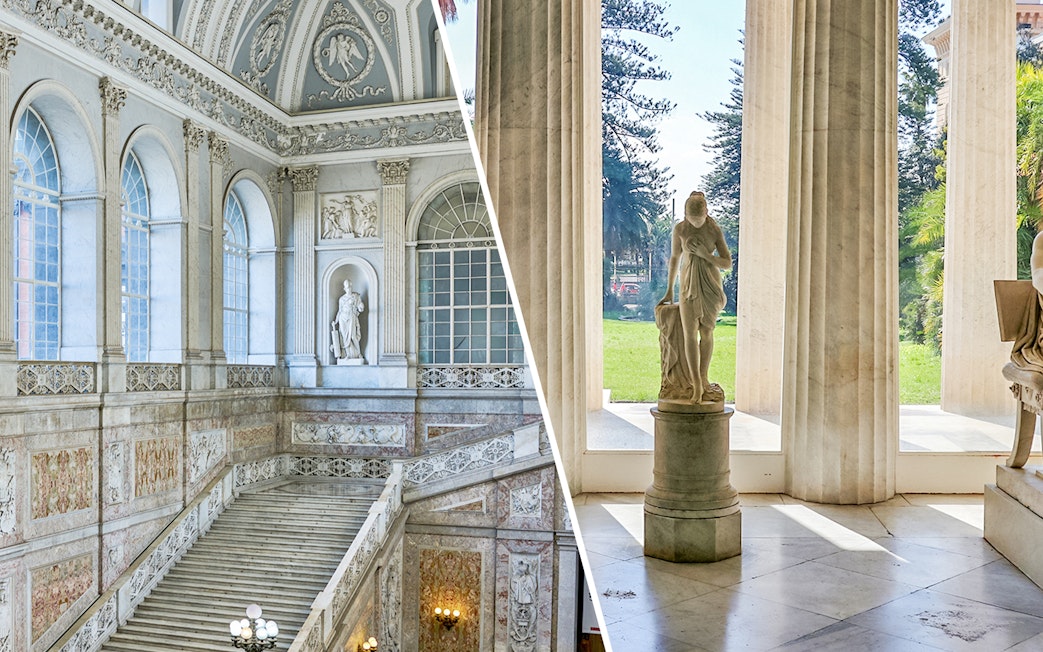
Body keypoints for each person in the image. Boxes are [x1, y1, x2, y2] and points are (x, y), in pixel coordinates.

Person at [658, 191, 732, 404]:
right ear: (685, 215)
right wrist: (670, 290)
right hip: (688, 285)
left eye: (699, 218)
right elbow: (675, 258)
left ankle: (704, 378)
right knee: (689, 333)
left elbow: (727, 262)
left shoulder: (713, 229)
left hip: (710, 285)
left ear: (706, 213)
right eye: (692, 219)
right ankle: (696, 385)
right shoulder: (680, 229)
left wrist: (705, 255)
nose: (696, 222)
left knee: (706, 332)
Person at [332, 280, 364, 360]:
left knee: (353, 336)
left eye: (349, 287)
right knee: (344, 337)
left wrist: (361, 307)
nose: (348, 289)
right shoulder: (342, 299)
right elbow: (339, 311)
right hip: (342, 318)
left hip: (351, 317)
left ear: (351, 287)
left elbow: (360, 306)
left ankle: (359, 353)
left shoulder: (355, 296)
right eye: (347, 287)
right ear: (344, 288)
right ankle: (348, 354)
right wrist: (336, 321)